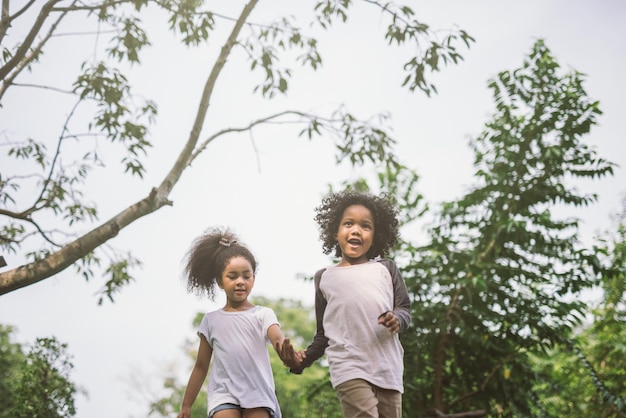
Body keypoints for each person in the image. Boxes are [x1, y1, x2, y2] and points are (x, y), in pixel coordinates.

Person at [278, 190, 411, 418]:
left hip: (388, 369)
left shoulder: (386, 269)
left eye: (365, 226)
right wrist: (301, 361)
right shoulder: (325, 277)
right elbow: (324, 335)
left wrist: (396, 318)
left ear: (376, 234)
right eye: (348, 223)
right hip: (349, 367)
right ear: (335, 231)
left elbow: (405, 309)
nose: (356, 230)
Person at [178, 227, 293, 418]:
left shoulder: (263, 315)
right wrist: (186, 405)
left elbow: (277, 338)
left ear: (253, 280)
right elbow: (201, 366)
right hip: (223, 396)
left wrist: (287, 353)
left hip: (258, 394)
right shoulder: (211, 320)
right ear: (220, 282)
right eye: (232, 277)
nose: (240, 281)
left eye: (246, 276)